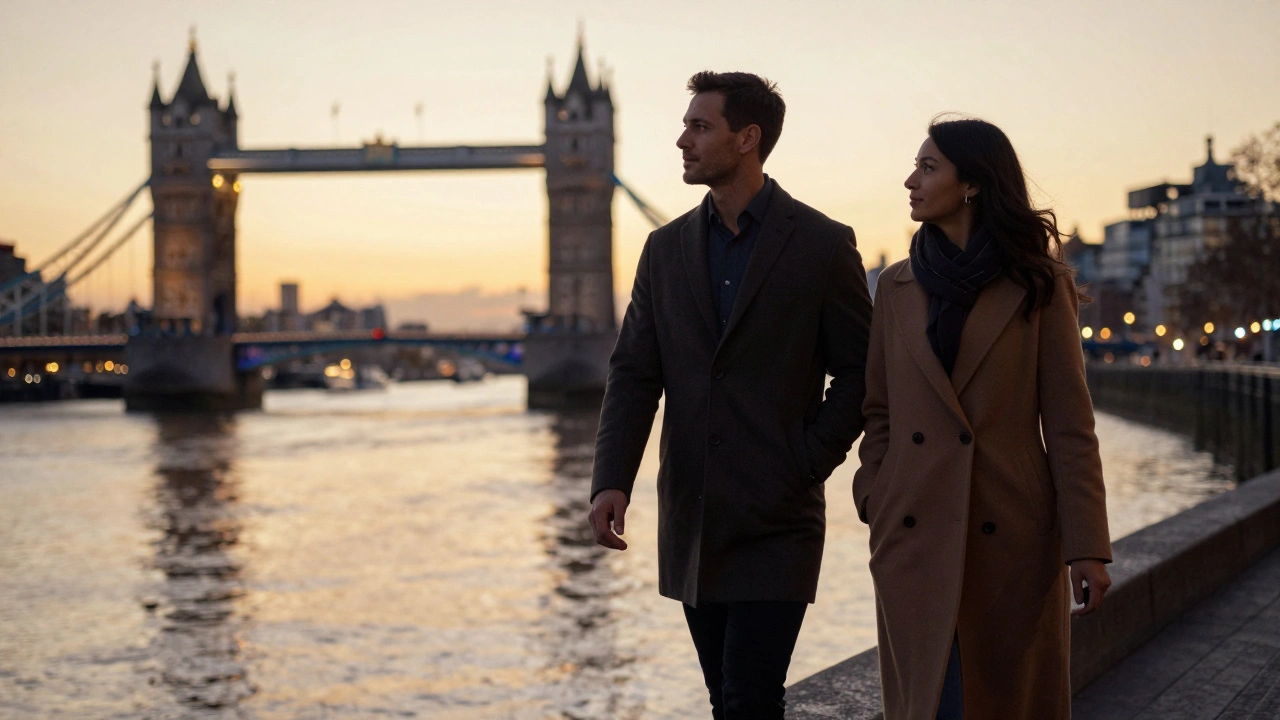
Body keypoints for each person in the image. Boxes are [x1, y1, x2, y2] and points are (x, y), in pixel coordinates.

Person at [588, 71, 873, 719]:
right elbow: (634, 373)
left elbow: (860, 371)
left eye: (699, 126)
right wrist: (612, 480)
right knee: (725, 696)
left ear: (747, 138)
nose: (682, 140)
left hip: (778, 517)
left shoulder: (823, 244)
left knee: (749, 696)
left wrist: (806, 463)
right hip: (693, 513)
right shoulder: (663, 251)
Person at [852, 116, 1113, 719]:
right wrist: (877, 494)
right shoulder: (895, 286)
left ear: (970, 183)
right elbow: (879, 410)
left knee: (1000, 701)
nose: (910, 180)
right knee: (931, 704)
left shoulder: (1038, 284)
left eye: (927, 167)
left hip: (1010, 533)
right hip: (914, 534)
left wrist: (1088, 547)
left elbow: (1071, 425)